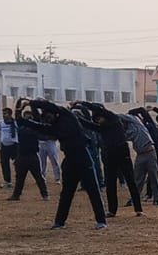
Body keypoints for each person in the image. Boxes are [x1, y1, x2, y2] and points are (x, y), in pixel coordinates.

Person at [15, 98, 106, 230]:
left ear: (53, 113)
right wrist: (20, 118)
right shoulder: (54, 128)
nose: (48, 119)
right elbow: (37, 126)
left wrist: (30, 103)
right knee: (66, 193)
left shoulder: (67, 115)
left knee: (93, 190)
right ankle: (59, 222)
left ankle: (101, 220)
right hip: (70, 159)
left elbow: (49, 105)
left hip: (83, 156)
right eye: (46, 118)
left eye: (48, 116)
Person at [73, 102, 142, 218]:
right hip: (110, 153)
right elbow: (87, 124)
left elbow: (98, 109)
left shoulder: (114, 119)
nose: (98, 121)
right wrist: (75, 116)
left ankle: (138, 209)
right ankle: (112, 210)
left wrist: (81, 103)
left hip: (122, 151)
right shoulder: (102, 128)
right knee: (110, 182)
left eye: (99, 118)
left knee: (130, 180)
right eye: (97, 120)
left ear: (104, 116)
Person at [120, 111, 158, 208]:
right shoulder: (127, 132)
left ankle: (157, 198)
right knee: (138, 178)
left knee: (153, 177)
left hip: (150, 152)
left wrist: (110, 116)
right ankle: (134, 199)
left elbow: (123, 116)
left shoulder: (136, 122)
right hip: (140, 154)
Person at [8, 108, 48, 200]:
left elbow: (36, 119)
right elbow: (18, 116)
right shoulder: (26, 128)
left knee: (37, 177)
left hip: (31, 155)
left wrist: (29, 106)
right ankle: (17, 195)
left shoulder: (28, 128)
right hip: (24, 156)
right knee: (20, 178)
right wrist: (21, 107)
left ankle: (44, 194)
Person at [0, 107, 19, 185]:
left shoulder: (15, 122)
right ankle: (7, 181)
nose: (4, 115)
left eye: (5, 113)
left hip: (14, 146)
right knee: (4, 164)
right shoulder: (1, 122)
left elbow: (19, 133)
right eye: (3, 114)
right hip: (4, 146)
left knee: (17, 163)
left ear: (10, 114)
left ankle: (19, 179)